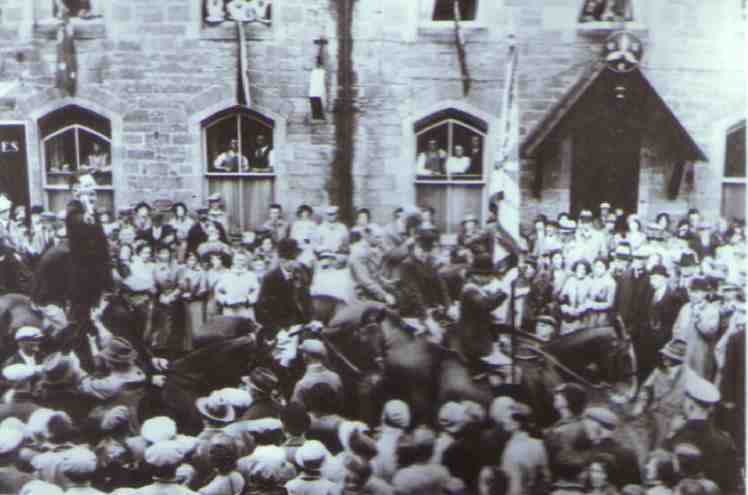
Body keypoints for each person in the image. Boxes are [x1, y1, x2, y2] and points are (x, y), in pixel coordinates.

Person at [664, 374, 736, 493]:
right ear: (710, 408)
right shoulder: (725, 440)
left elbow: (662, 468)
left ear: (690, 404)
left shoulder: (677, 437)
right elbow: (731, 484)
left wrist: (670, 433)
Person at [65, 171, 113, 324]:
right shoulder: (75, 211)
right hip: (83, 277)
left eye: (93, 189)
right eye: (87, 187)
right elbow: (80, 221)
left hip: (96, 274)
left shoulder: (90, 211)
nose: (92, 192)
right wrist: (88, 209)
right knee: (82, 319)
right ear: (76, 190)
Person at [631, 339, 692, 450]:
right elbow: (646, 389)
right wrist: (640, 404)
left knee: (663, 451)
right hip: (653, 416)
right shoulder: (658, 371)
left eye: (669, 356)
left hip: (672, 421)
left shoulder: (689, 377)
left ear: (678, 359)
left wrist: (681, 420)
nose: (664, 357)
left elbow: (689, 406)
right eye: (664, 354)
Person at [256, 238, 313, 340]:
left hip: (300, 326)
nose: (296, 263)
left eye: (296, 259)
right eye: (292, 260)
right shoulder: (270, 279)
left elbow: (307, 300)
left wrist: (310, 320)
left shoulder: (302, 273)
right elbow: (261, 308)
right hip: (279, 329)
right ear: (282, 261)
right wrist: (276, 330)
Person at [457, 255, 507, 365]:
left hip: (477, 337)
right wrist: (503, 293)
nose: (491, 280)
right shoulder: (470, 290)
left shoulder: (477, 289)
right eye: (489, 276)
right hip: (473, 341)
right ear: (478, 275)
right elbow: (485, 305)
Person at [496, 401, 551, 495]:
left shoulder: (511, 450)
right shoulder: (539, 444)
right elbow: (546, 476)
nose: (504, 422)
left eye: (507, 419)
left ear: (516, 424)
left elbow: (513, 485)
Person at [672, 277, 720, 381]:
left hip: (699, 356)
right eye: (691, 291)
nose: (692, 294)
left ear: (705, 293)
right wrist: (676, 343)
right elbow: (676, 327)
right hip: (681, 354)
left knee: (697, 383)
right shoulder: (685, 307)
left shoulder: (711, 310)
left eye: (696, 292)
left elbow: (710, 332)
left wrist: (698, 319)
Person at [582, 407, 641, 488]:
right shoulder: (628, 454)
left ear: (597, 426)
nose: (585, 429)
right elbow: (637, 488)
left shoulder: (589, 454)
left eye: (587, 425)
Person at [291, 340, 344, 411]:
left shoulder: (302, 384)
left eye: (303, 353)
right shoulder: (336, 377)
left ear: (306, 356)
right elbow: (341, 402)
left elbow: (296, 411)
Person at [348, 227, 396, 305]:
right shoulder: (359, 253)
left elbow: (374, 273)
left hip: (373, 291)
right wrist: (385, 295)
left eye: (381, 237)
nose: (381, 240)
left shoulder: (369, 249)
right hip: (363, 296)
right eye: (377, 237)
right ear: (368, 236)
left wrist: (387, 282)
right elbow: (365, 280)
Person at [214, 250, 259, 320]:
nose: (239, 262)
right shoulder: (225, 275)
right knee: (230, 328)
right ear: (233, 261)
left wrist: (248, 299)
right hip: (230, 309)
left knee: (246, 329)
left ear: (245, 261)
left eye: (242, 260)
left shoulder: (251, 276)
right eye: (237, 260)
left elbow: (256, 291)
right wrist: (225, 300)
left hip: (245, 309)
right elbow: (218, 291)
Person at [177, 251, 207, 346]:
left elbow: (203, 289)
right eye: (190, 260)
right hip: (181, 302)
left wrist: (193, 295)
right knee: (182, 325)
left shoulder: (201, 272)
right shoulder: (181, 271)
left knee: (196, 325)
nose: (192, 262)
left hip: (195, 302)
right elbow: (175, 284)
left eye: (194, 260)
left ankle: (197, 345)